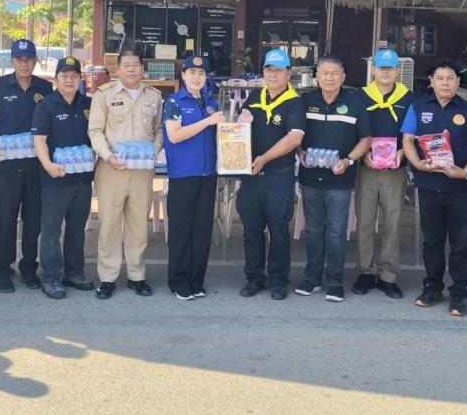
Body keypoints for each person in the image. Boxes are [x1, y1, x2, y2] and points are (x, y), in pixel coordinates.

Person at [400, 59, 467, 318]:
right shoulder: (418, 107)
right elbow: (407, 140)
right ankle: (433, 287)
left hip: (460, 187)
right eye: (440, 78)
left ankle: (459, 292)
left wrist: (466, 171)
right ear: (432, 81)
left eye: (450, 78)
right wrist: (417, 164)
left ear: (458, 82)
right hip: (429, 185)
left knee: (461, 243)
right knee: (432, 241)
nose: (445, 83)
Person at [294, 55, 371, 302]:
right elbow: (295, 134)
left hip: (340, 179)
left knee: (337, 232)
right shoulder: (305, 101)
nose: (329, 78)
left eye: (334, 73)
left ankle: (335, 281)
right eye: (324, 73)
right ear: (316, 76)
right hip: (310, 177)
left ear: (343, 77)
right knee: (314, 231)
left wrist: (348, 160)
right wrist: (300, 152)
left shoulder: (355, 102)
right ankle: (312, 278)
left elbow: (366, 139)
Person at [88, 48, 164, 299]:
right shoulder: (104, 95)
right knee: (109, 224)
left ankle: (136, 275)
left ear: (142, 68)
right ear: (118, 69)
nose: (131, 69)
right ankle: (108, 277)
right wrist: (107, 155)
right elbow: (95, 130)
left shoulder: (154, 96)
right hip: (112, 169)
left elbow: (160, 130)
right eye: (126, 65)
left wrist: (153, 152)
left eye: (135, 65)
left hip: (142, 172)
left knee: (138, 225)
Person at [236, 48, 306, 300]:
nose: (272, 74)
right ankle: (254, 277)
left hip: (278, 176)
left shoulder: (295, 102)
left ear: (289, 73)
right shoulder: (255, 97)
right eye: (268, 69)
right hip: (250, 177)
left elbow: (294, 138)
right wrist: (240, 120)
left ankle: (278, 280)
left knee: (278, 231)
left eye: (278, 70)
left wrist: (265, 158)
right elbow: (238, 131)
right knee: (251, 230)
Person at [0, 39, 52, 292]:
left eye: (29, 59)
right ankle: (2, 269)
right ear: (12, 61)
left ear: (35, 61)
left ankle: (28, 269)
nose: (24, 64)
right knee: (4, 219)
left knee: (33, 220)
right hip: (6, 165)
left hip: (35, 165)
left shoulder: (45, 88)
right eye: (19, 59)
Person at [162, 53, 226, 300]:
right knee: (181, 229)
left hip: (208, 174)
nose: (197, 77)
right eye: (192, 73)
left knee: (202, 229)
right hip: (183, 174)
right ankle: (178, 281)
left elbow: (221, 134)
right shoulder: (174, 102)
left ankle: (196, 280)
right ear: (183, 75)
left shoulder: (210, 103)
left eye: (201, 73)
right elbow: (175, 135)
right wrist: (208, 121)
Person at [32, 57, 95, 299]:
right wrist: (48, 165)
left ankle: (74, 272)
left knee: (77, 228)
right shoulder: (46, 105)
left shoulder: (88, 104)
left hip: (82, 178)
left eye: (74, 76)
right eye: (64, 76)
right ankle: (51, 276)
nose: (69, 80)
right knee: (51, 230)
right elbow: (39, 140)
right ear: (56, 79)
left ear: (80, 79)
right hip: (55, 178)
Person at [353, 48, 412, 299]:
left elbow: (413, 133)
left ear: (397, 70)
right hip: (366, 167)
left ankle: (388, 275)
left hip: (395, 169)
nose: (385, 72)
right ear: (373, 70)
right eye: (381, 67)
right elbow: (353, 129)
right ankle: (365, 271)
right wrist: (361, 154)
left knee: (392, 221)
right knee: (365, 221)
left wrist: (403, 153)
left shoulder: (409, 99)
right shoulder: (360, 97)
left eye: (390, 68)